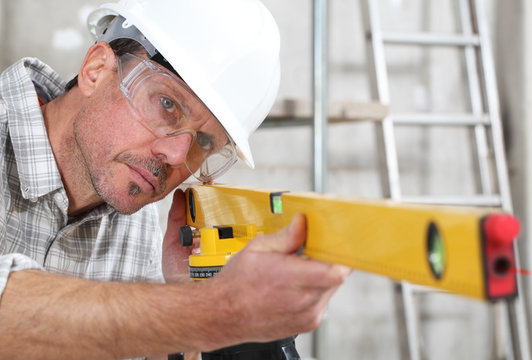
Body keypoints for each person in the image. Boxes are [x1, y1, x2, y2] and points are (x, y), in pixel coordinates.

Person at [0, 0, 349, 358]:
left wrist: (186, 320)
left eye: (203, 143)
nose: (178, 156)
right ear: (96, 70)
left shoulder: (139, 228)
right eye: (167, 104)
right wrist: (211, 310)